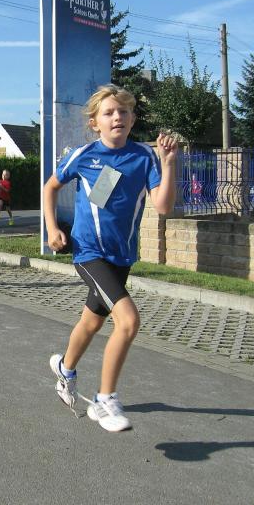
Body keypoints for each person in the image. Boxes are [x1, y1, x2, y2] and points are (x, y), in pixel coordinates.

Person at [44, 84, 177, 432]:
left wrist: (168, 164)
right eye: (109, 112)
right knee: (128, 321)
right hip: (88, 252)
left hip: (122, 256)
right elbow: (50, 187)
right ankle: (105, 400)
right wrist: (53, 228)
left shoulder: (144, 156)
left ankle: (65, 369)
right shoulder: (84, 155)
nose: (117, 117)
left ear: (132, 119)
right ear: (95, 122)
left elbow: (163, 206)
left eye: (123, 111)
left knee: (92, 322)